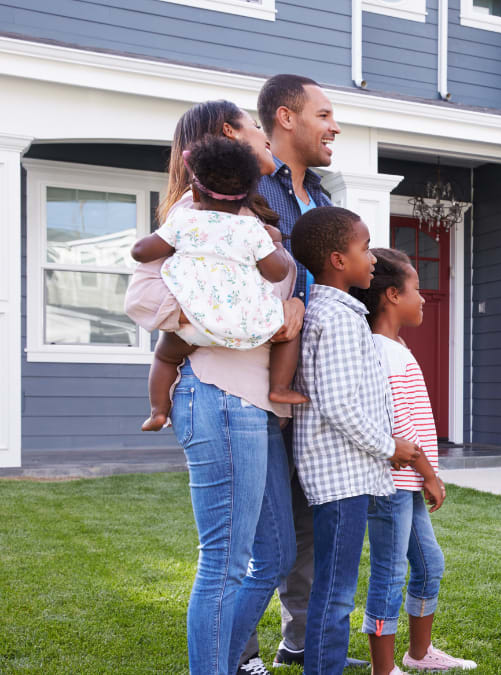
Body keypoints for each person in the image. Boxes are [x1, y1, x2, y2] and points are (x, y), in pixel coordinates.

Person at [123, 99, 303, 675]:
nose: (264, 134)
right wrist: (231, 320)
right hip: (220, 397)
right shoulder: (187, 219)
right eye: (255, 127)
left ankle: (225, 660)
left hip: (256, 404)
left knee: (272, 553)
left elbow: (275, 290)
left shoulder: (250, 221)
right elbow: (143, 299)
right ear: (227, 139)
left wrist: (290, 305)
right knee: (226, 560)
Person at [236, 73, 364, 673]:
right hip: (255, 385)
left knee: (310, 514)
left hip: (313, 386)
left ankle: (302, 639)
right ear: (285, 118)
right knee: (258, 531)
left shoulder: (323, 198)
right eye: (324, 114)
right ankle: (240, 653)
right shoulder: (245, 188)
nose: (334, 125)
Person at [289, 206, 423, 675]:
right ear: (337, 260)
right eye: (364, 248)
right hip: (340, 477)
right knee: (337, 591)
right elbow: (340, 404)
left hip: (343, 471)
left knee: (334, 585)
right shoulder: (341, 318)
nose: (371, 257)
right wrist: (391, 446)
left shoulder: (337, 310)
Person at [349, 248, 477, 674]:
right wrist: (430, 476)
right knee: (388, 573)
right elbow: (398, 426)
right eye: (416, 290)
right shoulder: (382, 351)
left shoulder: (394, 347)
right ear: (390, 295)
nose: (423, 299)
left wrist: (424, 475)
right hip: (392, 481)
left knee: (428, 564)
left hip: (407, 481)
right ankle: (382, 670)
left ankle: (418, 655)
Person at [130, 136, 306, 433]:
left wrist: (153, 242)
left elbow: (142, 252)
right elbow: (276, 273)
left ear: (195, 192)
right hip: (250, 326)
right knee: (289, 331)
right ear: (248, 196)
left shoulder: (184, 220)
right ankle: (279, 387)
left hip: (194, 324)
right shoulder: (252, 229)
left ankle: (158, 410)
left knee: (164, 354)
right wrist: (274, 243)